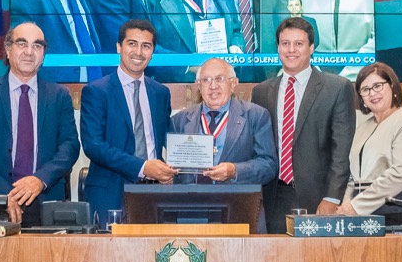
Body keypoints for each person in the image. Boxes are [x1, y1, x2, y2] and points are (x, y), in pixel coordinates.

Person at [0, 21, 80, 227]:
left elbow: (69, 147)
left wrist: (39, 180)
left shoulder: (59, 95)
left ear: (43, 54)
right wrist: (5, 193)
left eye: (37, 46)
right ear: (8, 50)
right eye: (21, 44)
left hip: (45, 200)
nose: (29, 52)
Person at [251, 17, 356, 233]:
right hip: (272, 197)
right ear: (278, 47)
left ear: (311, 48)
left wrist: (331, 198)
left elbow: (341, 151)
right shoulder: (261, 91)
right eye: (285, 43)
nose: (291, 50)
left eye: (299, 44)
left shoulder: (337, 88)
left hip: (318, 200)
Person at [79, 19, 176, 225]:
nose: (138, 52)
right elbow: (94, 146)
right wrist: (142, 167)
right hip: (110, 195)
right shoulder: (96, 91)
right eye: (132, 43)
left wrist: (182, 165)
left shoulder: (160, 93)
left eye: (146, 46)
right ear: (119, 47)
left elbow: (171, 138)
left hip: (154, 194)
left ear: (152, 52)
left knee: (155, 255)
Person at [337, 62, 402, 226]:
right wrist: (345, 206)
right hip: (362, 215)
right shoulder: (362, 128)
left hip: (397, 212)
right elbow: (352, 177)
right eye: (365, 90)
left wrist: (356, 206)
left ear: (392, 86)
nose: (372, 93)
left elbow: (400, 174)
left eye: (377, 86)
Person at [169, 57, 277, 185]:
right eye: (206, 80)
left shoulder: (256, 115)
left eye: (220, 79)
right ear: (198, 85)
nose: (213, 86)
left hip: (236, 202)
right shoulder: (179, 120)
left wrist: (234, 171)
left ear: (233, 83)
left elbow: (269, 165)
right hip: (191, 202)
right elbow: (176, 171)